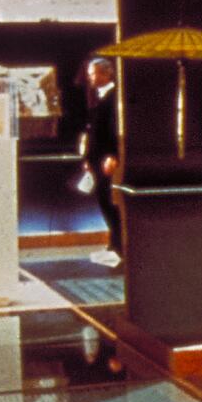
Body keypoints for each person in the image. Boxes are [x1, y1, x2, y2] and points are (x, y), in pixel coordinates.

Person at [76, 56, 122, 267]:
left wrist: (113, 154)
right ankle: (114, 244)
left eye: (94, 73)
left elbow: (114, 130)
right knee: (104, 202)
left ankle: (120, 247)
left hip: (106, 160)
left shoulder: (114, 98)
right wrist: (88, 158)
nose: (90, 78)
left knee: (110, 203)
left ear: (106, 74)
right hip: (97, 158)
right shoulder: (101, 97)